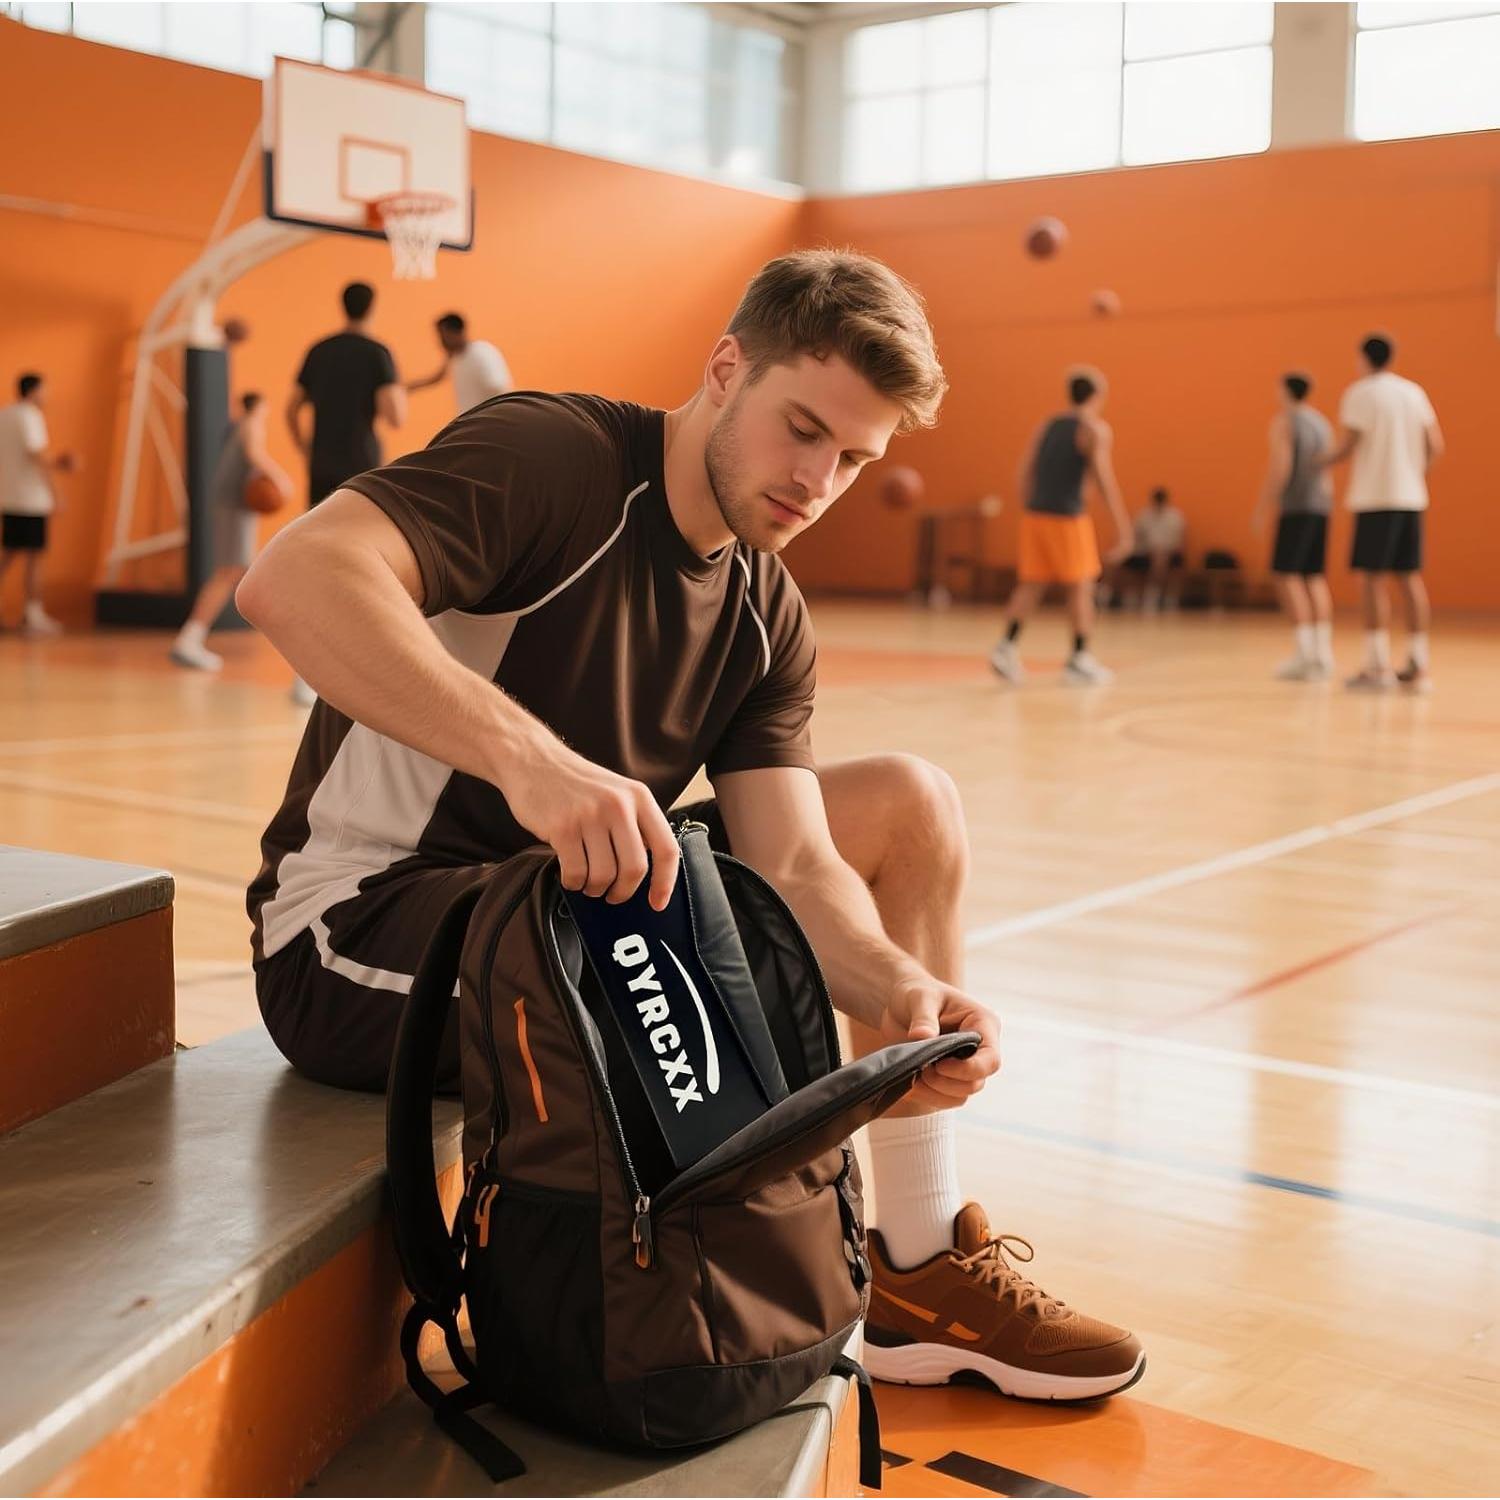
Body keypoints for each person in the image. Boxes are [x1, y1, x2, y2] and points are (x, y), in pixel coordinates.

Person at [237, 250, 1144, 1403]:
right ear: (726, 369)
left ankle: (914, 1264)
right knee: (654, 946)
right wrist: (536, 767)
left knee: (907, 804)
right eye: (802, 429)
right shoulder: (553, 460)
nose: (816, 480)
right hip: (360, 930)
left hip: (573, 913)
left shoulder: (766, 607)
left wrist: (894, 987)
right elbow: (292, 576)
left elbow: (800, 864)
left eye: (854, 460)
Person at [285, 281, 406, 703]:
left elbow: (291, 407)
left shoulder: (319, 350)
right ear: (372, 308)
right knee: (361, 569)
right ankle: (358, 671)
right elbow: (397, 416)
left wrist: (303, 447)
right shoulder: (378, 354)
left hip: (322, 466)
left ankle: (304, 674)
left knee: (316, 563)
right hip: (362, 470)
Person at [989, 368, 1131, 686]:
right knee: (1081, 586)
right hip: (1067, 518)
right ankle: (1079, 657)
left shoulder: (1047, 426)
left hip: (1035, 516)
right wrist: (1123, 526)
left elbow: (1024, 470)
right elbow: (1104, 480)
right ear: (1097, 396)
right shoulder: (1093, 429)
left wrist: (1030, 502)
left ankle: (1005, 646)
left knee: (1032, 584)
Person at [1323, 334, 1442, 693]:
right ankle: (1418, 666)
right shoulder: (1414, 392)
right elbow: (1436, 445)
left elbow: (1348, 446)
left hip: (1376, 498)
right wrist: (1414, 473)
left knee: (1372, 580)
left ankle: (1377, 667)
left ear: (1363, 358)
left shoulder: (1361, 393)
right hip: (1410, 497)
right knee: (1409, 578)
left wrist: (1316, 463)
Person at [170, 393, 292, 671]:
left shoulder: (239, 425)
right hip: (233, 507)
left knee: (238, 570)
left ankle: (192, 636)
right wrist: (279, 478)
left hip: (235, 506)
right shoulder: (251, 424)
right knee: (229, 571)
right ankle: (190, 637)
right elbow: (254, 453)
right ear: (260, 407)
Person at [1253, 373, 1334, 681]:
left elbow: (1281, 466)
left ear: (1285, 390)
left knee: (1286, 576)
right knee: (1313, 576)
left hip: (1297, 506)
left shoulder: (1285, 422)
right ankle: (1322, 653)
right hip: (1320, 505)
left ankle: (1303, 653)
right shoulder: (1321, 423)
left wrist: (1264, 506)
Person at [0, 372, 74, 637]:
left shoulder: (5, 415)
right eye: (45, 390)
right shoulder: (30, 416)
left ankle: (31, 613)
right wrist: (58, 485)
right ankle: (33, 613)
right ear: (33, 392)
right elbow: (37, 455)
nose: (47, 396)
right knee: (34, 557)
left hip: (9, 495)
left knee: (9, 553)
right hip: (30, 498)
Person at [407, 313, 513, 415]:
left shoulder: (481, 353)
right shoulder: (456, 358)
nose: (441, 341)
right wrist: (407, 387)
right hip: (472, 422)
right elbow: (436, 377)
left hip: (488, 421)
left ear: (457, 332)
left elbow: (499, 387)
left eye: (444, 335)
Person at [1111, 487, 1185, 611]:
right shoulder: (1144, 516)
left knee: (1160, 558)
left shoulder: (1175, 517)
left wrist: (1163, 551)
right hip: (1144, 553)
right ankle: (1129, 595)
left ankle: (1155, 594)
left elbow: (1180, 541)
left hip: (1170, 554)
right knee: (1120, 561)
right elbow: (1135, 537)